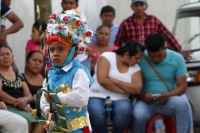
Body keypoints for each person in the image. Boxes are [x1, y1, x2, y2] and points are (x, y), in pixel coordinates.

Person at [39, 9, 94, 133]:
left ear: (74, 53)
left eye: (61, 49)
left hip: (76, 128)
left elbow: (81, 98)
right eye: (52, 50)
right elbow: (44, 98)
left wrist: (57, 98)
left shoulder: (78, 72)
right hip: (55, 128)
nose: (55, 54)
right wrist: (47, 109)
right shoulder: (50, 74)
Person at [131, 33, 192, 133]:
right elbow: (132, 88)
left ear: (165, 47)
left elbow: (182, 87)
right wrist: (143, 96)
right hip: (145, 101)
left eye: (159, 55)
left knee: (183, 104)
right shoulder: (140, 58)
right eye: (152, 56)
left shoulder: (177, 58)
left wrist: (168, 95)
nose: (155, 59)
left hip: (169, 99)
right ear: (147, 50)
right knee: (138, 115)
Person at [88, 40, 144, 133]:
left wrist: (115, 80)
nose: (138, 61)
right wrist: (124, 90)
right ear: (127, 55)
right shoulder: (107, 57)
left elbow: (137, 89)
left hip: (121, 99)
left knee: (124, 111)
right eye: (136, 58)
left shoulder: (136, 68)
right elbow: (102, 80)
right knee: (95, 111)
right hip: (96, 94)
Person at [114, 0, 191, 60]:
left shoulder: (154, 20)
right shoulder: (126, 23)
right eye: (136, 5)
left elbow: (167, 35)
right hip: (134, 59)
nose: (139, 8)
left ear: (146, 6)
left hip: (152, 58)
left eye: (141, 5)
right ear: (132, 7)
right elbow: (118, 44)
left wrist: (178, 50)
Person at [0, 44, 44, 133]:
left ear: (12, 57)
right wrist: (19, 103)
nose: (5, 57)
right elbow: (0, 93)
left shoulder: (18, 75)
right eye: (2, 54)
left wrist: (24, 100)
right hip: (6, 107)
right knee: (25, 121)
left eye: (8, 54)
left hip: (21, 107)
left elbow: (28, 95)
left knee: (42, 119)